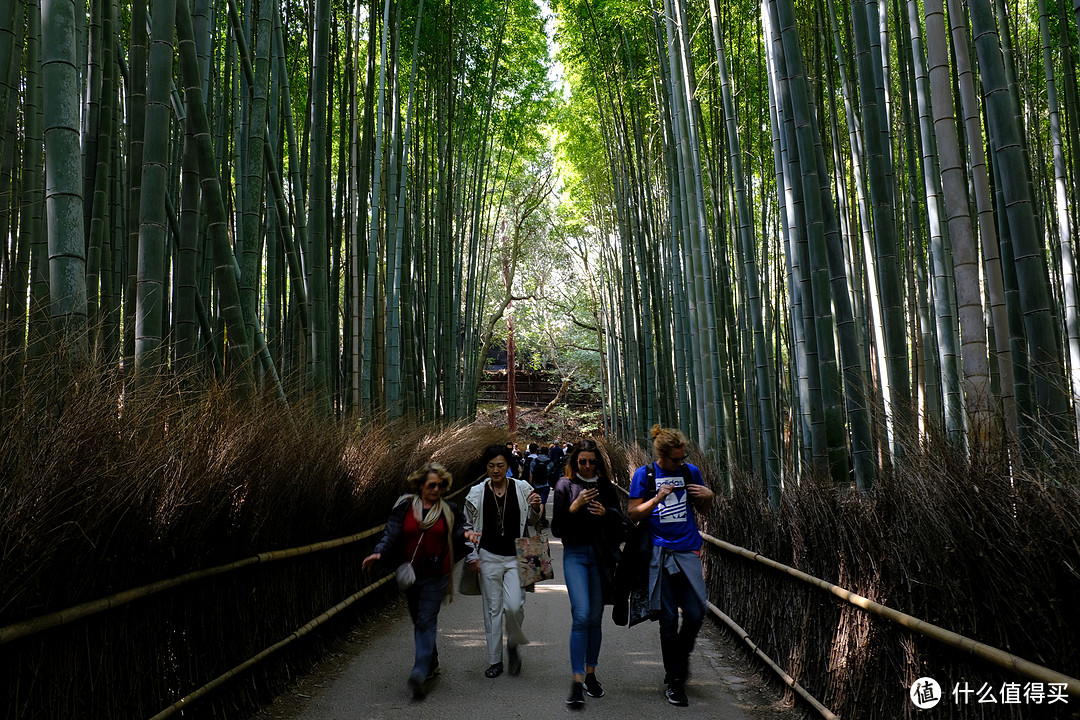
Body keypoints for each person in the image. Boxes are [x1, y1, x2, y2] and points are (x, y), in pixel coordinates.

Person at [627, 425, 714, 707]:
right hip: (659, 554)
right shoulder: (645, 475)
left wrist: (708, 497)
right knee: (667, 620)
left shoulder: (690, 472)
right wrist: (657, 498)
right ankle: (675, 680)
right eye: (676, 459)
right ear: (661, 456)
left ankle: (681, 656)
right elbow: (633, 513)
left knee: (696, 610)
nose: (681, 462)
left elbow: (702, 510)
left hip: (687, 550)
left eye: (683, 457)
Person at [363, 463, 467, 699]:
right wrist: (379, 552)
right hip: (411, 574)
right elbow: (391, 533)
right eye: (432, 485)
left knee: (425, 620)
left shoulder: (448, 509)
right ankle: (431, 661)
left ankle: (419, 673)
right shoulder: (405, 507)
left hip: (437, 574)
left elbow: (459, 531)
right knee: (420, 620)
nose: (437, 489)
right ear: (420, 486)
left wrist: (467, 534)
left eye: (441, 485)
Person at [551, 439, 624, 709]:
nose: (588, 465)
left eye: (592, 461)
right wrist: (575, 505)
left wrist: (606, 513)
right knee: (581, 615)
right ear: (574, 462)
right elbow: (557, 529)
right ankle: (577, 682)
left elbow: (619, 524)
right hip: (576, 555)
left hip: (601, 556)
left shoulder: (605, 486)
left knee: (595, 618)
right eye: (582, 461)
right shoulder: (564, 486)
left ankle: (591, 674)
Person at [464, 444, 543, 678]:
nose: (496, 470)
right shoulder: (477, 493)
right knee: (493, 609)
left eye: (500, 465)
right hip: (488, 556)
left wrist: (537, 507)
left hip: (516, 557)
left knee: (514, 605)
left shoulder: (522, 488)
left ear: (508, 466)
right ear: (486, 468)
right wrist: (472, 555)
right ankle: (494, 660)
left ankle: (513, 642)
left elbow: (532, 520)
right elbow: (468, 527)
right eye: (491, 466)